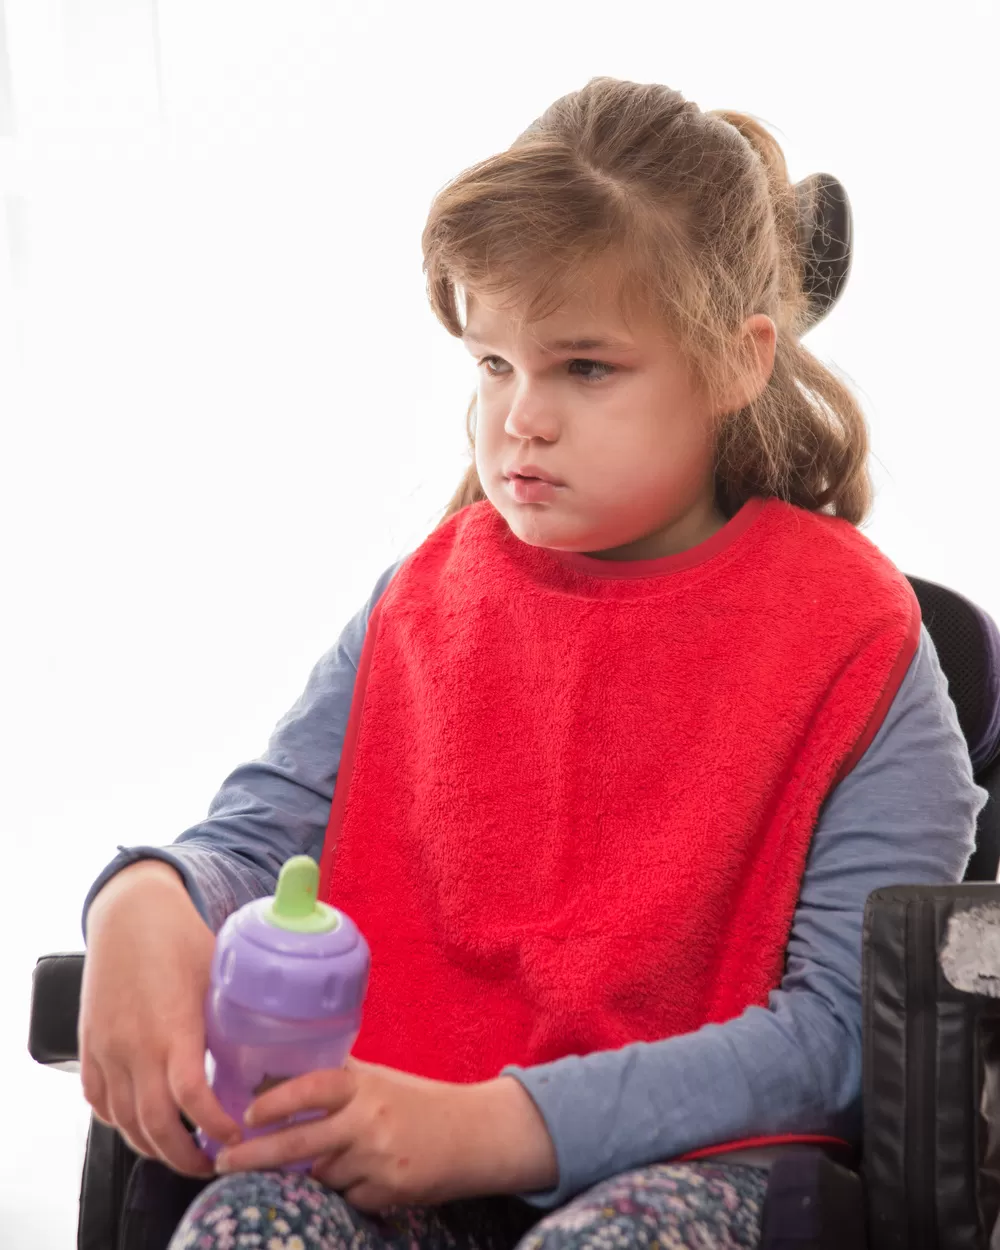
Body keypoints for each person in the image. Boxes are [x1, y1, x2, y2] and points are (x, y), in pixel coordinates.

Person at [78, 76, 988, 1250]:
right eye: (493, 364)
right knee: (250, 1223)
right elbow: (263, 841)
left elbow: (850, 1031)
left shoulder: (856, 638)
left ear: (737, 360)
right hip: (380, 1152)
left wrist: (496, 1123)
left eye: (585, 368)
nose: (520, 420)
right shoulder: (425, 596)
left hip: (700, 1173)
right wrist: (145, 895)